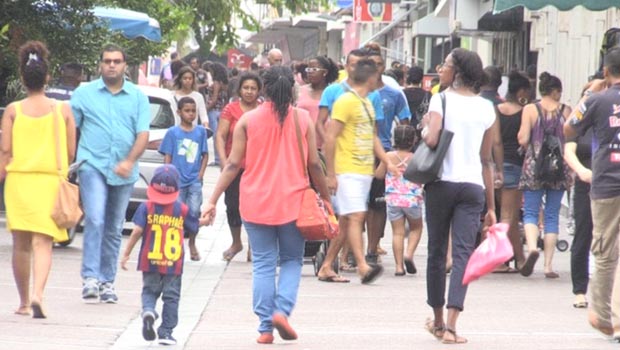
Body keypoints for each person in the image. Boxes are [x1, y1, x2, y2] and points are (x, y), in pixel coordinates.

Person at [202, 66, 330, 344]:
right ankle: (282, 310)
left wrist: (211, 200)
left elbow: (233, 164)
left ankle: (264, 328)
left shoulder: (248, 120)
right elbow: (313, 165)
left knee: (263, 262)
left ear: (265, 89)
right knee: (292, 260)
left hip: (255, 201)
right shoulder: (303, 119)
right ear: (292, 89)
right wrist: (327, 198)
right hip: (293, 203)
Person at [421, 48, 497, 344]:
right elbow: (486, 159)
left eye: (446, 65)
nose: (441, 69)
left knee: (437, 252)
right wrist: (491, 206)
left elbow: (431, 138)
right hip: (472, 187)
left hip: (441, 184)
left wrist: (427, 123)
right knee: (463, 254)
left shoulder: (440, 99)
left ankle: (438, 321)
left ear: (458, 72)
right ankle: (452, 326)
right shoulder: (486, 107)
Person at [0, 40, 76, 318]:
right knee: (43, 242)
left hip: (19, 183)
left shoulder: (13, 110)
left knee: (20, 245)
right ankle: (38, 295)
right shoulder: (63, 110)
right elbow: (69, 151)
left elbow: (5, 152)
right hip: (49, 182)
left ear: (22, 77)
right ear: (47, 77)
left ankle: (22, 303)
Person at [71, 43, 150, 303]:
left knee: (115, 226)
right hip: (92, 164)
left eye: (117, 61)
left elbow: (143, 134)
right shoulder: (84, 94)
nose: (112, 65)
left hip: (124, 170)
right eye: (107, 61)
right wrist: (69, 161)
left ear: (125, 65)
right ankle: (90, 278)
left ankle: (107, 282)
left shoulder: (137, 96)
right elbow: (71, 129)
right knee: (95, 218)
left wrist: (129, 160)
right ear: (100, 65)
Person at [563, 47, 620, 338]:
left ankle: (602, 313)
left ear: (606, 72)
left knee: (605, 253)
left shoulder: (597, 100)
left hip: (607, 184)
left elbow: (568, 130)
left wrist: (589, 94)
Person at [324, 58, 396, 284]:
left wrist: (387, 161)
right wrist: (331, 174)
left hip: (363, 170)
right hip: (348, 169)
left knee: (348, 220)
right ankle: (363, 266)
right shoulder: (346, 101)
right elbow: (330, 137)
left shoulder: (366, 103)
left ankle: (327, 265)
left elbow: (372, 137)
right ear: (371, 77)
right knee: (356, 216)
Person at [121, 164, 203, 345]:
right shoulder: (181, 209)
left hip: (150, 260)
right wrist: (204, 220)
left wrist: (126, 253)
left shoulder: (146, 207)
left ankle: (149, 310)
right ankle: (166, 332)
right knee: (171, 297)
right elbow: (194, 225)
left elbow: (136, 231)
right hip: (173, 263)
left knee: (149, 290)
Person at [517, 72, 572, 278]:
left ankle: (532, 247)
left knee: (531, 211)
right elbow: (572, 136)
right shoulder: (566, 111)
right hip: (559, 168)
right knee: (552, 214)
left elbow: (522, 139)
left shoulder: (531, 109)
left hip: (534, 165)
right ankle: (548, 266)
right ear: (555, 91)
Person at [365, 49, 411, 264]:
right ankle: (351, 251)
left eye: (378, 63)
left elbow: (405, 123)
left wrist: (401, 153)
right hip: (357, 153)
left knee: (378, 204)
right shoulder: (354, 92)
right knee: (359, 205)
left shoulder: (394, 94)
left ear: (383, 67)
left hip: (382, 152)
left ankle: (372, 248)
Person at [216, 72, 262, 262]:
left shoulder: (263, 109)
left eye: (253, 88)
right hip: (234, 167)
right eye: (246, 88)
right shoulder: (231, 109)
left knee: (257, 207)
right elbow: (220, 135)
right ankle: (236, 242)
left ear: (259, 91)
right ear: (240, 90)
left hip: (257, 167)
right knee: (233, 205)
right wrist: (223, 161)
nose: (249, 92)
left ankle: (255, 246)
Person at [158, 97, 209, 262]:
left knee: (194, 211)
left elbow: (205, 154)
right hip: (176, 180)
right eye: (187, 111)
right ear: (179, 112)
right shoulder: (173, 133)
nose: (191, 114)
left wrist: (200, 174)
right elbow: (168, 155)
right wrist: (167, 174)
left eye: (193, 111)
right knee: (176, 214)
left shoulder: (200, 132)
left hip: (194, 180)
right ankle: (176, 244)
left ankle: (192, 242)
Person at [375, 125, 423, 276]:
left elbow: (379, 175)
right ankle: (409, 254)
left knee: (398, 232)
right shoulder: (416, 157)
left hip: (393, 199)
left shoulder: (388, 156)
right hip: (412, 199)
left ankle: (399, 267)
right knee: (416, 228)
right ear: (413, 140)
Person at [496, 71, 531, 272]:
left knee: (511, 216)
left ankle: (520, 258)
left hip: (496, 166)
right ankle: (499, 260)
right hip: (515, 166)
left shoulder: (496, 110)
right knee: (508, 216)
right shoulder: (525, 111)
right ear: (521, 91)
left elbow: (495, 141)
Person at [564, 127, 593, 309]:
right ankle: (580, 291)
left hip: (612, 183)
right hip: (587, 185)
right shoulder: (579, 127)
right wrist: (581, 170)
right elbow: (568, 151)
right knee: (583, 235)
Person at [296, 56, 339, 148]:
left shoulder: (333, 93)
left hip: (325, 144)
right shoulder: (299, 91)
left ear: (325, 72)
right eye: (308, 69)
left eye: (314, 69)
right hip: (303, 144)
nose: (310, 72)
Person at [206, 62, 229, 166]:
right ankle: (222, 157)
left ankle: (217, 159)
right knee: (222, 135)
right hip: (222, 110)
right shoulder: (224, 83)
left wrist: (206, 109)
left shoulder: (216, 82)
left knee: (216, 135)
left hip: (214, 110)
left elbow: (214, 99)